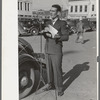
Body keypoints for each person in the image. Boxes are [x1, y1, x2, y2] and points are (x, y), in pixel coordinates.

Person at [40, 4, 69, 96]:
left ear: (58, 13)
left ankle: (59, 88)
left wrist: (58, 36)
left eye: (53, 11)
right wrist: (44, 33)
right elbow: (46, 36)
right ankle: (50, 84)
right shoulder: (48, 23)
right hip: (48, 49)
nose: (51, 12)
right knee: (49, 70)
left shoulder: (62, 23)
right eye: (50, 10)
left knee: (57, 70)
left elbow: (66, 37)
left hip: (56, 50)